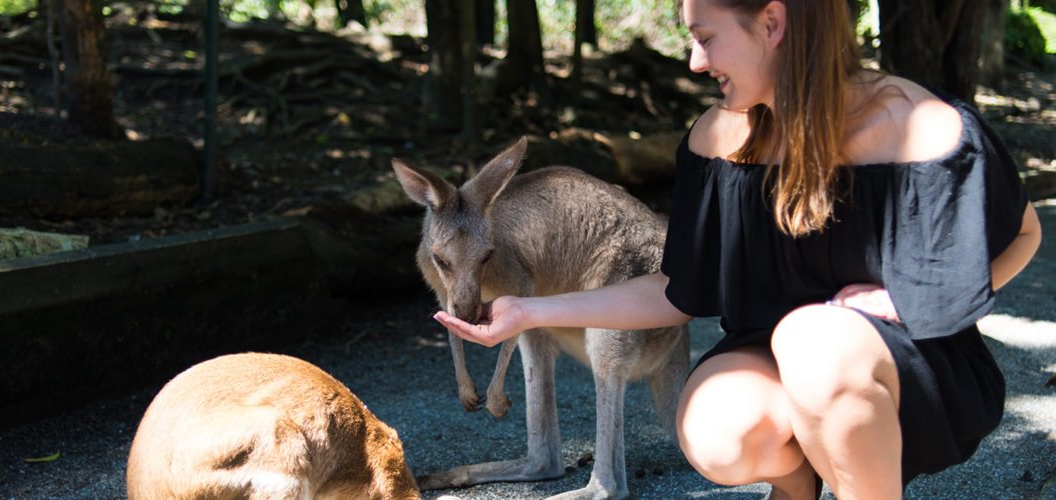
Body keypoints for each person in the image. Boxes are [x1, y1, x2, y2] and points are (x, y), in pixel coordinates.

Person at [433, 0, 1043, 498]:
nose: (696, 62)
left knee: (814, 337)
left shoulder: (920, 125)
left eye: (705, 37)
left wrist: (914, 299)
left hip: (913, 366)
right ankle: (795, 483)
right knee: (714, 425)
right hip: (782, 357)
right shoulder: (717, 138)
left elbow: (1024, 233)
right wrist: (529, 311)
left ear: (773, 24)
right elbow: (677, 292)